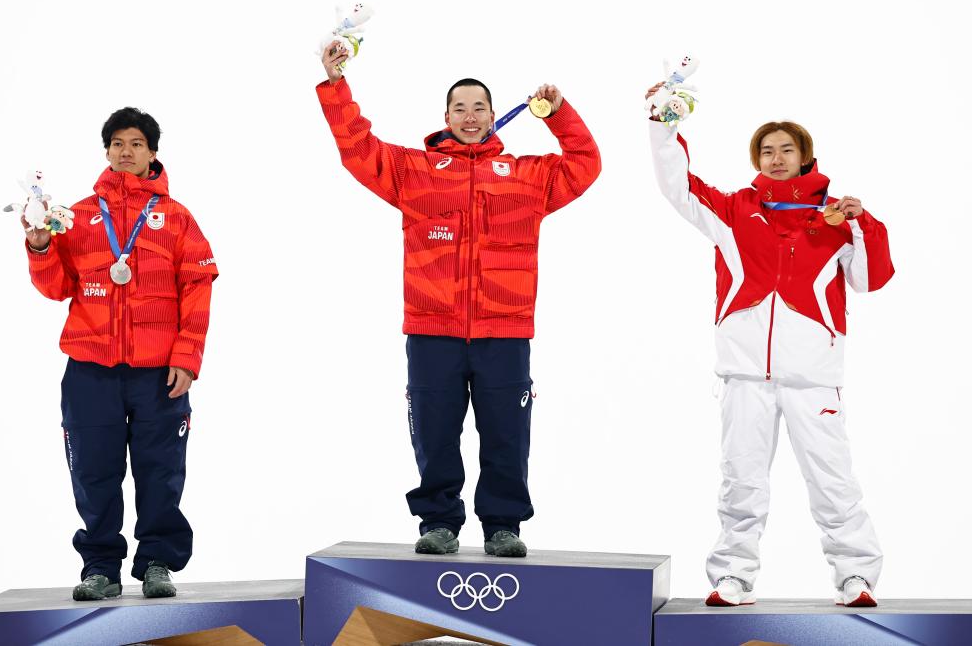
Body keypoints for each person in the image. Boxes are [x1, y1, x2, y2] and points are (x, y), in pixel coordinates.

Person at [317, 43, 601, 557]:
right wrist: (337, 86)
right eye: (460, 108)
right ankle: (439, 522)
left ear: (494, 116)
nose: (470, 117)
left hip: (504, 330)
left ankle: (503, 526)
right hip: (432, 329)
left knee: (506, 436)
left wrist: (559, 115)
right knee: (435, 434)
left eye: (479, 108)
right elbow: (358, 148)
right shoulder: (415, 171)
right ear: (445, 117)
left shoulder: (527, 176)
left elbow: (585, 164)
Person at [647, 81, 893, 607]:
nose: (776, 159)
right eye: (766, 151)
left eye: (786, 150)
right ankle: (733, 575)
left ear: (806, 156)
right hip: (744, 374)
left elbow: (869, 280)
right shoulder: (735, 211)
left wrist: (863, 224)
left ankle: (856, 575)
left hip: (813, 376)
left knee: (833, 481)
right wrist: (664, 126)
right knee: (741, 481)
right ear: (756, 159)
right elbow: (678, 187)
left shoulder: (836, 216)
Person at [23, 107, 218, 600]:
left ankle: (156, 563)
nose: (126, 151)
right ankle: (100, 568)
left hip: (158, 373)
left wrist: (187, 357)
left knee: (161, 470)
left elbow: (198, 288)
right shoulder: (77, 216)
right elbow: (57, 288)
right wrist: (42, 247)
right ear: (106, 151)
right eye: (117, 143)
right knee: (93, 471)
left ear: (153, 152)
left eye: (136, 143)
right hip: (90, 370)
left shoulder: (177, 218)